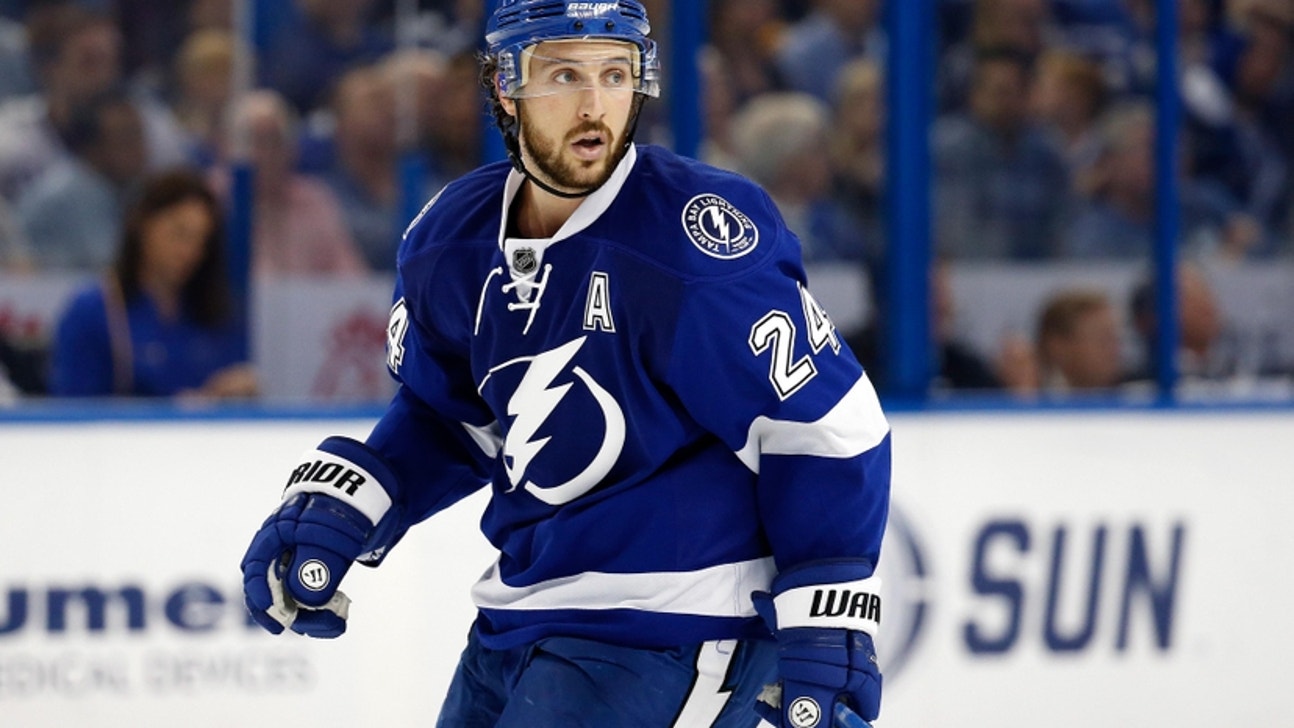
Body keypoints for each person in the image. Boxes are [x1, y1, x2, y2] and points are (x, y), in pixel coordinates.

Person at [238, 2, 891, 728]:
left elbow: (827, 427)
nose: (593, 105)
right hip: (517, 619)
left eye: (616, 73)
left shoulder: (693, 244)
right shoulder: (450, 239)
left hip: (671, 628)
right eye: (563, 75)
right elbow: (456, 418)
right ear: (503, 86)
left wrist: (828, 608)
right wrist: (359, 497)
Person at [48, 167, 256, 398]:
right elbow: (73, 412)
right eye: (179, 233)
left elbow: (237, 374)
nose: (190, 251)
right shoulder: (93, 312)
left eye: (201, 240)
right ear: (142, 224)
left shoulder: (217, 313)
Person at [1034, 287, 1126, 392]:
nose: (1114, 351)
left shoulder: (1136, 398)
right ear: (1058, 347)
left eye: (1115, 339)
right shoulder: (1028, 399)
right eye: (1102, 340)